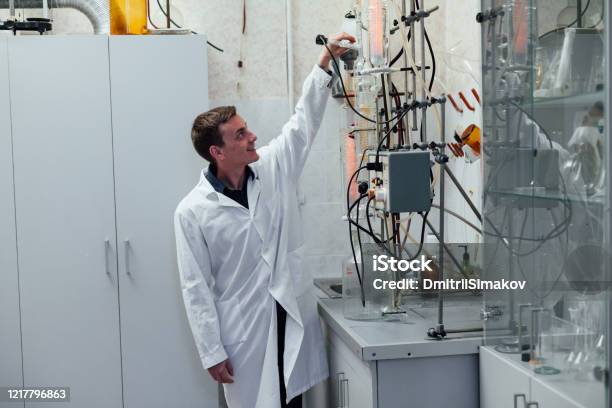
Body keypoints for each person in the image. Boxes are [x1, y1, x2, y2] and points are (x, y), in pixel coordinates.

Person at [174, 32, 355, 408]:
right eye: (240, 134)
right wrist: (210, 351)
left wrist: (323, 65)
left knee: (290, 399)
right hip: (244, 333)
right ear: (217, 152)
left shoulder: (272, 168)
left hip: (289, 317)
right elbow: (195, 288)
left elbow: (302, 124)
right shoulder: (192, 211)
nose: (253, 136)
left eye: (247, 127)